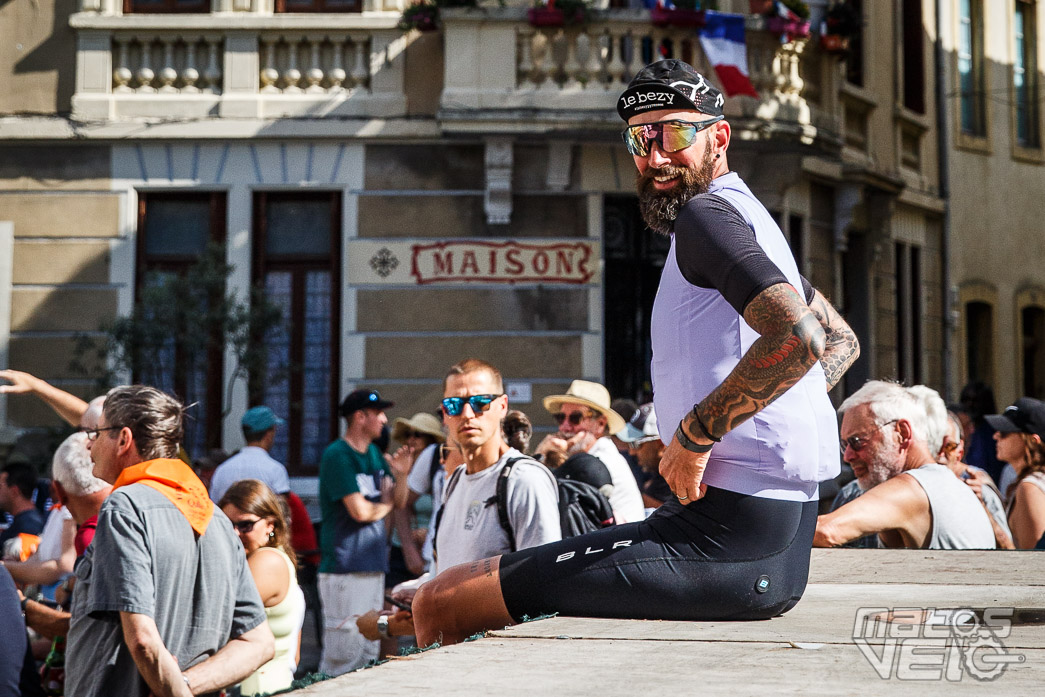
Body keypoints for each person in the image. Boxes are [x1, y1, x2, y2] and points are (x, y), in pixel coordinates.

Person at [409, 59, 860, 647]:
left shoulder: (708, 216)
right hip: (759, 539)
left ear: (719, 137)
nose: (655, 156)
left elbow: (800, 340)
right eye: (639, 138)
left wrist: (696, 437)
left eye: (674, 133)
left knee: (442, 600)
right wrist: (774, 413)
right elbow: (840, 340)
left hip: (729, 541)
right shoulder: (747, 217)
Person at [66, 385, 273, 697]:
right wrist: (184, 684)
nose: (89, 445)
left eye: (96, 432)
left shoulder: (125, 506)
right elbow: (258, 643)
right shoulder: (215, 518)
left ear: (123, 439)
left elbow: (143, 641)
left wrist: (174, 687)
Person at [357, 359, 561, 643]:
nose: (467, 414)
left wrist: (387, 626)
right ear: (444, 415)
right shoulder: (454, 480)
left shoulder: (523, 479)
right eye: (454, 405)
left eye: (480, 403)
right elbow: (448, 573)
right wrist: (417, 593)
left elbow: (540, 588)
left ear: (502, 406)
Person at [814, 381, 995, 549]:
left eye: (857, 441)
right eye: (845, 445)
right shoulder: (943, 482)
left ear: (902, 433)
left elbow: (826, 531)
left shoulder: (915, 487)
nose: (847, 456)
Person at [317, 388, 395, 676]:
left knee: (369, 651)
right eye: (378, 413)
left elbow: (393, 503)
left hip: (373, 565)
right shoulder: (337, 455)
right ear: (360, 417)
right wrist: (385, 504)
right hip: (344, 569)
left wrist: (404, 473)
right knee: (342, 655)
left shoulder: (374, 453)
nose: (384, 419)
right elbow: (360, 511)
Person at [219, 479, 305, 697]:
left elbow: (220, 620)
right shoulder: (276, 559)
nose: (235, 533)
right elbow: (294, 653)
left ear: (270, 525)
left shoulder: (266, 561)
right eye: (227, 524)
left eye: (245, 525)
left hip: (256, 688)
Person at [535, 380, 645, 523]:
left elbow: (544, 501)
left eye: (575, 418)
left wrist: (541, 457)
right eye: (560, 418)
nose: (565, 427)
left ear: (600, 424)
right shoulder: (586, 456)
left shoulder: (600, 461)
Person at [388, 412, 445, 584]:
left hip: (431, 550)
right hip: (401, 549)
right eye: (408, 434)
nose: (411, 439)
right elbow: (399, 506)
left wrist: (427, 532)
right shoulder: (398, 470)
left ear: (431, 440)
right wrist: (408, 549)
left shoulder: (439, 467)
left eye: (418, 435)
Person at [985, 398, 1045, 548]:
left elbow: (1034, 562)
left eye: (1005, 432)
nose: (996, 436)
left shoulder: (1030, 488)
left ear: (1032, 440)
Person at [209, 406, 291, 504]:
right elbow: (282, 512)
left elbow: (213, 508)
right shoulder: (275, 470)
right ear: (269, 434)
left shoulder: (222, 470)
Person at [617, 403, 672, 509]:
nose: (631, 452)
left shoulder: (675, 477)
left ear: (661, 444)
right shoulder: (659, 473)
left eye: (636, 444)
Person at [0, 462, 45, 549]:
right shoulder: (25, 522)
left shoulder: (29, 527)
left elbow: (27, 561)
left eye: (0, 487)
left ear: (14, 491)